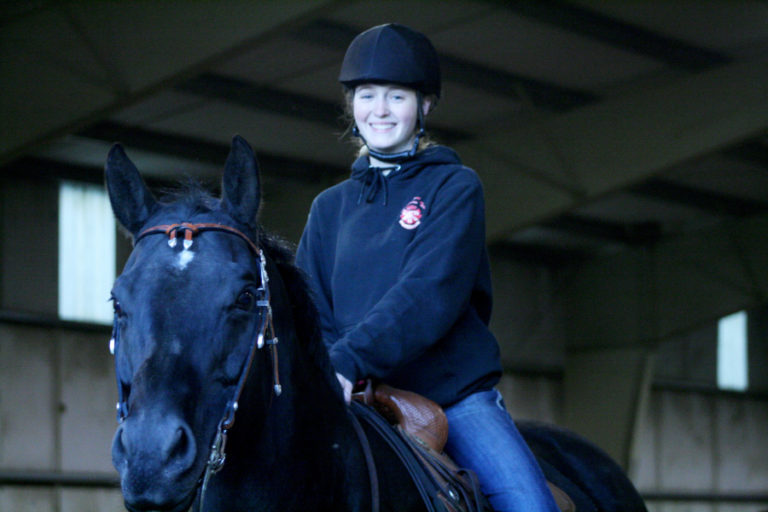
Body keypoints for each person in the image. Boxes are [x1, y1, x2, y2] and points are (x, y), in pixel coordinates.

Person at [295, 23, 559, 512]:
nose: (380, 110)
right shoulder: (328, 208)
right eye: (367, 95)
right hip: (350, 394)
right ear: (351, 106)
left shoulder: (455, 188)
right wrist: (327, 367)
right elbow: (310, 305)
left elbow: (428, 293)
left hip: (450, 397)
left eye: (397, 97)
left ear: (425, 106)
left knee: (530, 507)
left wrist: (345, 360)